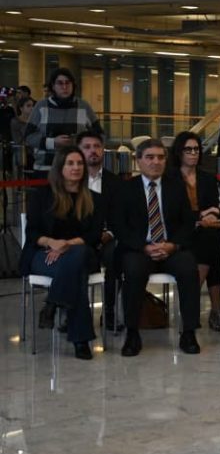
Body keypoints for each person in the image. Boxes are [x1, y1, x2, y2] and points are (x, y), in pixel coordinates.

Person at [111, 138, 201, 357]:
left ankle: (189, 332)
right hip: (139, 249)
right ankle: (132, 333)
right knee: (133, 270)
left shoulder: (176, 186)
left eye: (160, 157)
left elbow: (188, 222)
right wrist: (144, 247)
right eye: (150, 157)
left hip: (170, 248)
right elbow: (119, 226)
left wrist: (172, 245)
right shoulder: (125, 189)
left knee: (189, 268)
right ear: (138, 160)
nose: (156, 162)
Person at [20, 147, 105, 360]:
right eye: (70, 163)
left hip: (81, 253)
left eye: (79, 163)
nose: (76, 168)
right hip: (44, 254)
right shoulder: (42, 195)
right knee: (77, 272)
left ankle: (53, 302)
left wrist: (66, 244)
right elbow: (32, 233)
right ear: (59, 167)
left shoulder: (94, 199)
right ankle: (80, 340)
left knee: (78, 255)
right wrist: (53, 243)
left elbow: (94, 235)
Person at [169, 131, 220, 333]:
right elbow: (173, 212)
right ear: (179, 152)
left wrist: (210, 214)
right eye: (188, 149)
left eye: (196, 149)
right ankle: (214, 311)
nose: (193, 153)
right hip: (180, 232)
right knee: (213, 246)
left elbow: (214, 206)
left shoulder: (208, 178)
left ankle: (194, 306)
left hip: (205, 230)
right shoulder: (169, 178)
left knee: (212, 238)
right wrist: (200, 215)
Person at [77, 129, 122, 331]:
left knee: (116, 255)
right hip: (79, 240)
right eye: (87, 147)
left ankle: (109, 312)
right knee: (78, 256)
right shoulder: (72, 180)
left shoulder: (115, 182)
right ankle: (75, 312)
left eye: (96, 146)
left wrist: (109, 234)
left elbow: (121, 217)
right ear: (78, 151)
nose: (92, 151)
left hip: (107, 238)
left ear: (103, 150)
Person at [24, 68, 103, 178]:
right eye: (60, 83)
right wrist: (52, 142)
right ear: (53, 86)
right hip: (46, 168)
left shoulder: (83, 106)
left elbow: (100, 135)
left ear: (73, 85)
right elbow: (28, 136)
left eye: (68, 83)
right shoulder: (41, 106)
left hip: (76, 168)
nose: (64, 87)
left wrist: (80, 142)